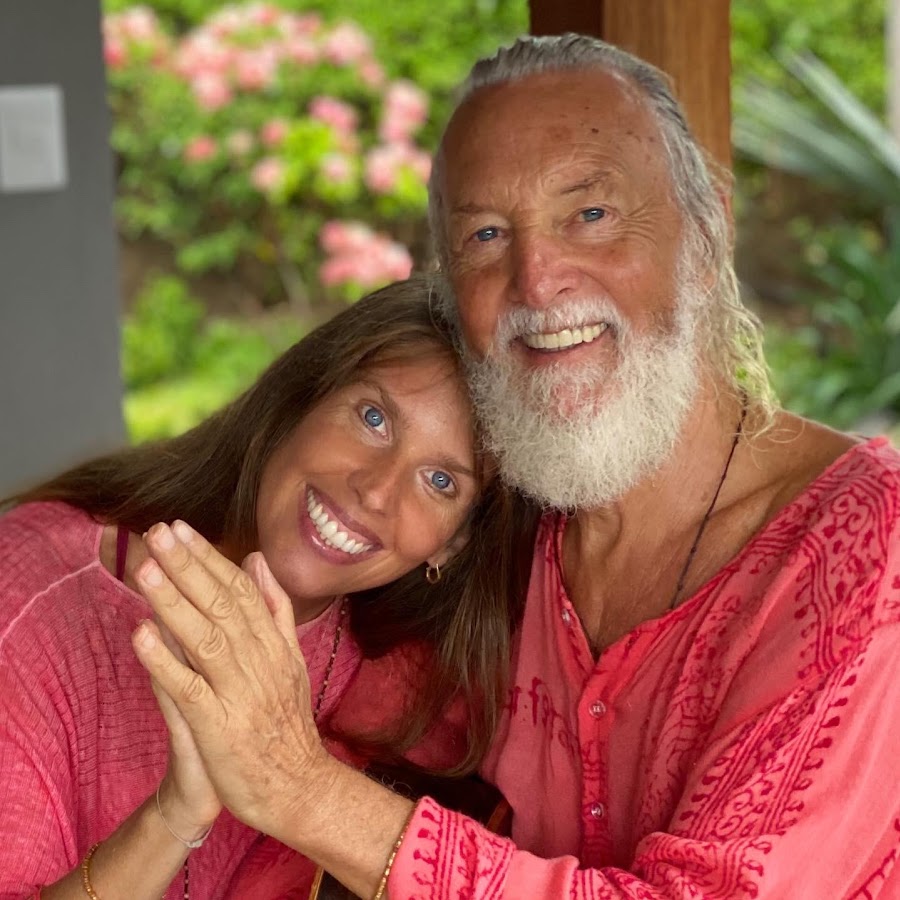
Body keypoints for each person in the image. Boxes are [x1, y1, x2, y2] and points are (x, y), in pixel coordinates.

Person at [133, 34, 900, 900]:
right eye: (487, 235)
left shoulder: (865, 550)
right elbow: (345, 699)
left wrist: (300, 789)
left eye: (591, 214)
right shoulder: (509, 516)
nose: (536, 281)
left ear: (706, 228)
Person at [0, 276, 531, 900]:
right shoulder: (33, 595)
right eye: (374, 418)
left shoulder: (425, 686)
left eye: (441, 481)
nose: (377, 490)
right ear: (300, 400)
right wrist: (176, 814)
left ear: (451, 544)